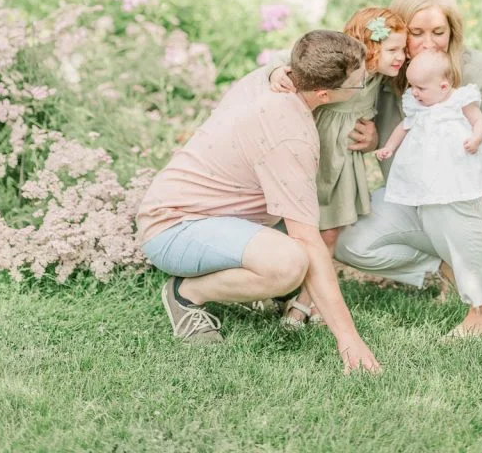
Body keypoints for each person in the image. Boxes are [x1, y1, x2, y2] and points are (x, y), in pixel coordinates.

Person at [136, 29, 381, 373]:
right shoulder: (291, 135)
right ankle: (187, 292)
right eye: (359, 82)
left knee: (298, 260)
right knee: (290, 264)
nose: (365, 81)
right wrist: (349, 339)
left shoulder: (274, 76)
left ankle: (254, 283)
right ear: (324, 93)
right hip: (175, 226)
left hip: (219, 215)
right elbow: (307, 241)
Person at [334, 0, 482, 338]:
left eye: (438, 32)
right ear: (398, 34)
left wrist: (465, 144)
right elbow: (322, 66)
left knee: (447, 188)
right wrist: (375, 138)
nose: (428, 43)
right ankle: (453, 268)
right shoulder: (389, 76)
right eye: (416, 33)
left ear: (453, 33)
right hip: (430, 206)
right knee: (347, 234)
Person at [268, 8, 407, 325]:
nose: (401, 56)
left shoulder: (383, 79)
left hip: (343, 159)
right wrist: (276, 71)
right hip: (314, 150)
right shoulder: (341, 68)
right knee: (292, 225)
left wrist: (372, 139)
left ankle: (306, 302)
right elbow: (290, 61)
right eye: (393, 49)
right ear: (370, 48)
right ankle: (278, 287)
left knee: (329, 232)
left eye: (402, 48)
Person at [377, 50, 482, 237]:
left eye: (420, 88)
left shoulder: (460, 99)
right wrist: (389, 147)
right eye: (412, 86)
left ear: (444, 86)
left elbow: (478, 121)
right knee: (436, 188)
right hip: (442, 161)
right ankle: (434, 226)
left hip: (467, 153)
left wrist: (476, 139)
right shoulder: (418, 105)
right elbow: (404, 126)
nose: (414, 92)